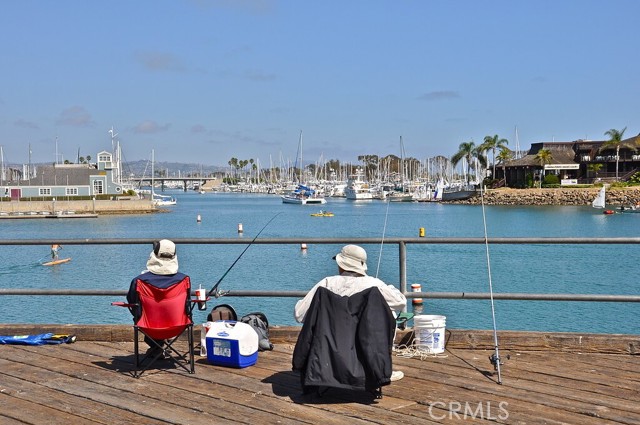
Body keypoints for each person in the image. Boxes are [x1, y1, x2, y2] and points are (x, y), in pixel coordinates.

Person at [294, 244, 407, 381]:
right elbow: (401, 302)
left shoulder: (327, 283)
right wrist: (388, 288)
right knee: (390, 313)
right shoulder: (374, 285)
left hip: (328, 353)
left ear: (341, 265)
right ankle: (381, 368)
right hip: (363, 347)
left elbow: (299, 314)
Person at [127, 239, 190, 357]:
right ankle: (159, 346)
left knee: (140, 312)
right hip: (177, 325)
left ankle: (157, 346)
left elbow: (131, 300)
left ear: (153, 255)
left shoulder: (139, 280)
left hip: (148, 326)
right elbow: (187, 305)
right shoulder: (184, 280)